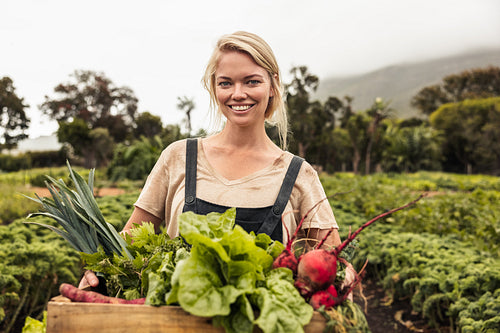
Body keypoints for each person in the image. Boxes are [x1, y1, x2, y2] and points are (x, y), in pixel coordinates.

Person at [79, 31, 345, 289]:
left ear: (273, 85)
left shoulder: (298, 173)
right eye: (226, 83)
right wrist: (101, 267)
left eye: (252, 81)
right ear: (213, 86)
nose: (238, 93)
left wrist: (345, 273)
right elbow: (132, 238)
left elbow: (334, 259)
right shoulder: (179, 157)